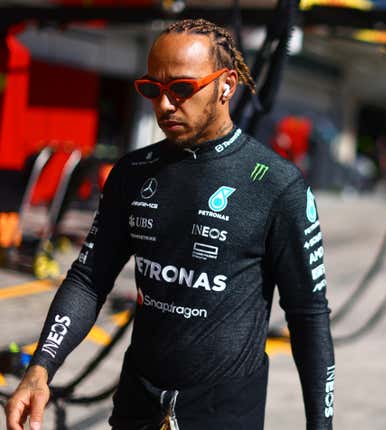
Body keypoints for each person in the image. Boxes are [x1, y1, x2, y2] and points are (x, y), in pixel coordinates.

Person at [5, 19, 335, 430]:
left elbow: (307, 316)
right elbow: (89, 279)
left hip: (224, 415)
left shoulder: (276, 185)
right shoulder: (132, 173)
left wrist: (321, 425)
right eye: (152, 90)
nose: (164, 105)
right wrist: (40, 369)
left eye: (181, 89)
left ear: (226, 85)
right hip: (137, 408)